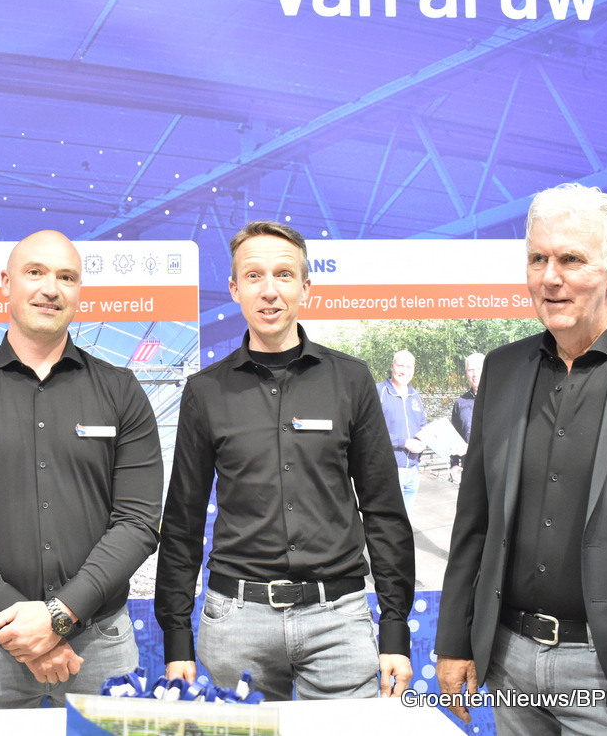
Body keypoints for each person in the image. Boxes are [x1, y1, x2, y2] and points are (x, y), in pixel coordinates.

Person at [436, 183, 607, 733]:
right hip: (508, 659)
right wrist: (454, 640)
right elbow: (475, 521)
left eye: (570, 259)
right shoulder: (503, 369)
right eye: (537, 259)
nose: (550, 278)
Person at [155, 220, 414, 701]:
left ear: (306, 287)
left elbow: (383, 510)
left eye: (284, 275)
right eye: (254, 276)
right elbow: (182, 522)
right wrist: (176, 637)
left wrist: (395, 628)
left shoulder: (351, 380)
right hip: (236, 624)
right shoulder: (205, 391)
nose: (269, 290)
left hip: (338, 622)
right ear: (235, 289)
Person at [0, 230, 162, 708]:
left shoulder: (121, 391)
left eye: (66, 277)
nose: (51, 288)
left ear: (79, 290)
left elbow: (137, 523)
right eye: (35, 272)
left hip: (99, 644)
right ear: (6, 283)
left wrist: (58, 617)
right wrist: (21, 627)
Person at [377, 350, 428, 511]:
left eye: (409, 367)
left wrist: (424, 440)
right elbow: (372, 431)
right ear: (392, 367)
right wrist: (404, 442)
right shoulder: (378, 392)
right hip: (389, 469)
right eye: (400, 366)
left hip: (413, 470)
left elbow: (422, 425)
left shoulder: (415, 395)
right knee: (390, 519)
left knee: (406, 520)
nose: (404, 371)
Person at [448, 353, 483, 483]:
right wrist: (454, 464)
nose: (474, 374)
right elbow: (454, 437)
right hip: (468, 469)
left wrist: (471, 448)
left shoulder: (499, 401)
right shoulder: (460, 403)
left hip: (493, 468)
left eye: (478, 369)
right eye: (470, 370)